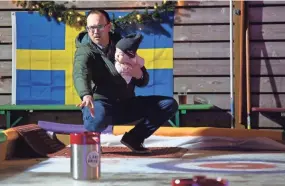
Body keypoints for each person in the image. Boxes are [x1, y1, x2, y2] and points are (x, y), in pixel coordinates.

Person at [73, 9, 178, 154]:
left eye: (99, 27)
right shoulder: (84, 51)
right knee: (97, 115)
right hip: (100, 105)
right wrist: (86, 94)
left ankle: (134, 138)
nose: (95, 32)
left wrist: (138, 74)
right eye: (91, 28)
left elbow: (143, 80)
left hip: (125, 104)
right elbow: (80, 73)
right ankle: (92, 142)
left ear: (108, 27)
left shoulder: (123, 45)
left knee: (168, 104)